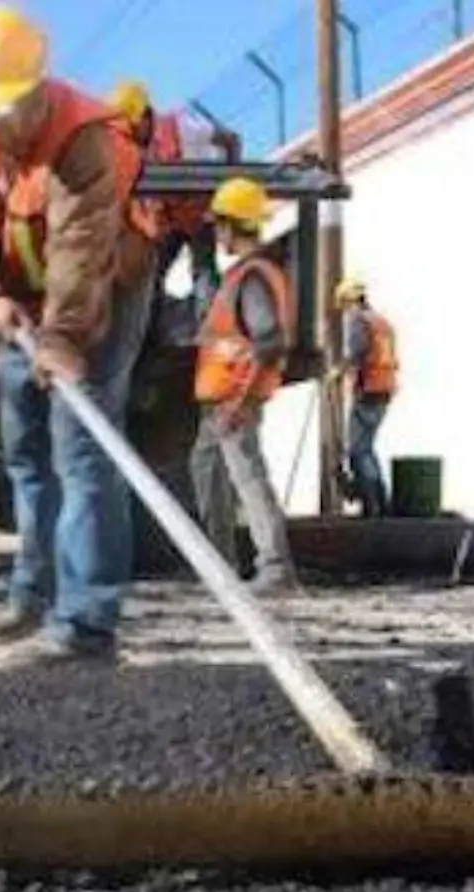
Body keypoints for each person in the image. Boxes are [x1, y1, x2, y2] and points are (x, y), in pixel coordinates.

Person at [0, 3, 160, 660]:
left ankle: (87, 621)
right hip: (16, 295)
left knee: (81, 451)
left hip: (104, 288)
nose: (2, 122)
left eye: (14, 106)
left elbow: (80, 256)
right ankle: (33, 593)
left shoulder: (85, 136)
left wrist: (62, 340)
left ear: (39, 86)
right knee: (26, 451)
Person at [188, 177, 298, 595]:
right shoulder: (245, 275)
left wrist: (243, 398)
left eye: (219, 225)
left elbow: (269, 340)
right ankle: (221, 567)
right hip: (220, 400)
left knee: (248, 478)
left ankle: (275, 568)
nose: (217, 234)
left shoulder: (252, 277)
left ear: (234, 225)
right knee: (209, 474)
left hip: (233, 399)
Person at [107, 78, 222, 317]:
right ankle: (155, 335)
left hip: (201, 212)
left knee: (203, 273)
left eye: (131, 125)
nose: (128, 133)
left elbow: (230, 138)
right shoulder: (133, 149)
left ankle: (210, 329)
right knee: (152, 274)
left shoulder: (184, 127)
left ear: (146, 116)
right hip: (172, 219)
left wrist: (230, 175)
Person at [336, 277, 399, 517]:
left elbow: (357, 352)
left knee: (358, 450)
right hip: (385, 389)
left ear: (348, 300)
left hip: (369, 389)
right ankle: (380, 502)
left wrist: (338, 372)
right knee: (367, 448)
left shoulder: (357, 319)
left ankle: (372, 505)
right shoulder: (382, 322)